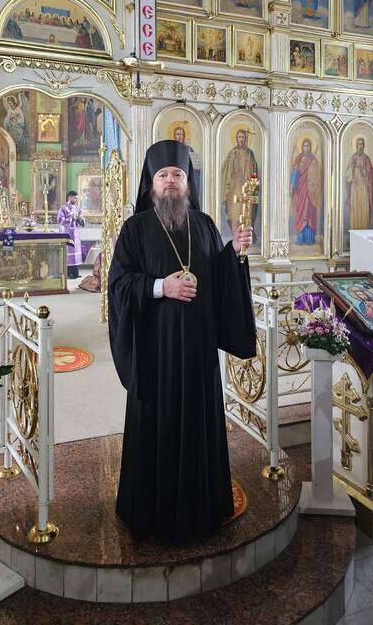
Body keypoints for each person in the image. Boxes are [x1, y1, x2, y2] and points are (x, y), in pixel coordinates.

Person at [108, 140, 255, 542]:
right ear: (151, 184)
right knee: (158, 427)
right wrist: (160, 287)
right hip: (156, 354)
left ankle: (202, 505)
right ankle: (152, 512)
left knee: (198, 424)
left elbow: (217, 276)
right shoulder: (135, 229)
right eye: (163, 175)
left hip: (198, 351)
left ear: (188, 182)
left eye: (177, 174)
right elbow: (119, 285)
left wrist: (234, 252)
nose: (170, 181)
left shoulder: (203, 224)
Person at [221, 128, 258, 236]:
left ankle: (245, 238)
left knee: (246, 213)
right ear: (236, 138)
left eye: (243, 137)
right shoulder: (232, 153)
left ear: (246, 139)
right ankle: (235, 237)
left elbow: (254, 171)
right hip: (234, 188)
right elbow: (227, 170)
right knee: (235, 214)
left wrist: (250, 165)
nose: (241, 139)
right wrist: (232, 160)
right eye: (239, 137)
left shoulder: (250, 153)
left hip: (246, 187)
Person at [290, 138, 321, 245]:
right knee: (301, 212)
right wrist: (292, 185)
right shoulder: (298, 159)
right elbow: (294, 173)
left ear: (310, 147)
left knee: (310, 212)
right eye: (304, 146)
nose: (306, 148)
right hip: (300, 190)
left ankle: (310, 239)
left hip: (311, 191)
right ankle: (301, 238)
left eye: (308, 146)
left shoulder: (314, 160)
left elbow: (318, 176)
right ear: (302, 147)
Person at [345, 136, 373, 230]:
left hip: (364, 187)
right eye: (358, 144)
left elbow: (371, 173)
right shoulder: (352, 158)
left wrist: (365, 172)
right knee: (355, 208)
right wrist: (352, 169)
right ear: (356, 145)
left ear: (364, 146)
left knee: (364, 208)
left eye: (361, 144)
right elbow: (347, 174)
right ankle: (355, 230)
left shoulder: (367, 159)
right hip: (355, 187)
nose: (360, 146)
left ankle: (364, 230)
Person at [57, 191, 85, 279]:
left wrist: (80, 219)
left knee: (75, 254)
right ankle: (68, 274)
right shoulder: (63, 208)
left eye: (77, 198)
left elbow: (81, 221)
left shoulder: (77, 208)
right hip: (66, 233)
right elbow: (60, 220)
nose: (76, 200)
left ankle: (75, 273)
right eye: (75, 198)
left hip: (75, 234)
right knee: (68, 253)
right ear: (69, 197)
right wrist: (71, 218)